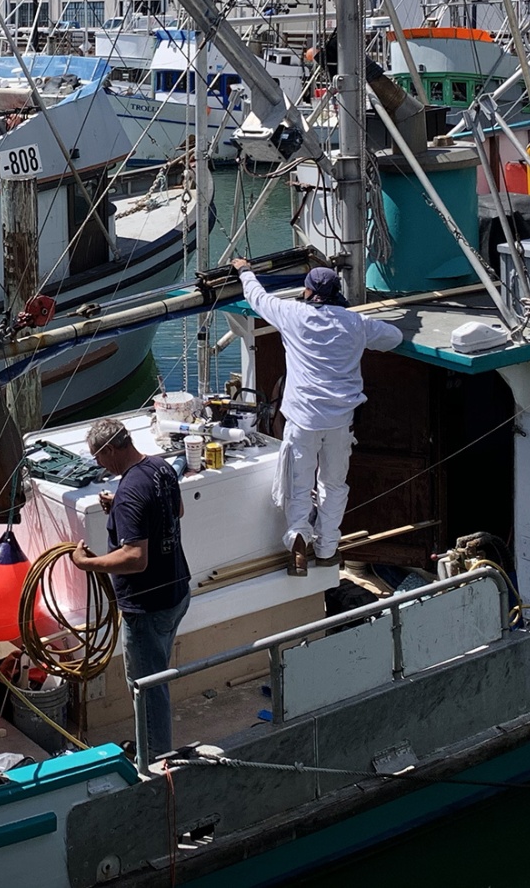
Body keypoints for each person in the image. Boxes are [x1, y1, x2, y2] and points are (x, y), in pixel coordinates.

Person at [232, 259, 405, 575]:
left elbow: (257, 297)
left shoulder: (293, 314)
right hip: (339, 423)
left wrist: (244, 270)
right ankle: (327, 550)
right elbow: (393, 337)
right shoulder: (355, 324)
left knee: (299, 484)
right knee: (333, 484)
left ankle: (298, 544)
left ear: (309, 292)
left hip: (302, 421)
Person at [69, 416, 191, 758]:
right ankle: (154, 748)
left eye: (98, 457)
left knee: (147, 688)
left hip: (148, 607)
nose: (98, 464)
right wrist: (122, 511)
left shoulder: (130, 494)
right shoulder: (161, 468)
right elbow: (175, 510)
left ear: (110, 449)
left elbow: (136, 558)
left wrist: (86, 564)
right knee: (157, 677)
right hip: (177, 593)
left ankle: (155, 760)